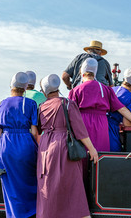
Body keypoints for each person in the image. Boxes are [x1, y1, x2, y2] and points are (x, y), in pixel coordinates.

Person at [37, 74, 98, 218]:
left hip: (45, 148)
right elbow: (80, 130)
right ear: (58, 87)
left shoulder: (41, 106)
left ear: (44, 91)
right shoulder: (67, 103)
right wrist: (92, 149)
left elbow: (38, 130)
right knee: (72, 185)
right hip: (64, 146)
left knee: (48, 185)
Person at [68, 58, 131, 152]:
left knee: (83, 152)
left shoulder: (76, 90)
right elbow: (123, 112)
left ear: (82, 73)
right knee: (105, 155)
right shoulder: (111, 91)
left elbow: (70, 113)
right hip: (104, 126)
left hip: (84, 124)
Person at [0, 72, 38, 218]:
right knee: (31, 182)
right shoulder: (30, 104)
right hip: (25, 144)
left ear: (11, 86)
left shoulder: (0, 104)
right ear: (25, 88)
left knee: (10, 187)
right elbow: (35, 132)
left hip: (6, 145)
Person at [107, 68, 131, 152]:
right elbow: (127, 123)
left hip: (99, 124)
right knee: (114, 156)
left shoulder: (111, 90)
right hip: (111, 130)